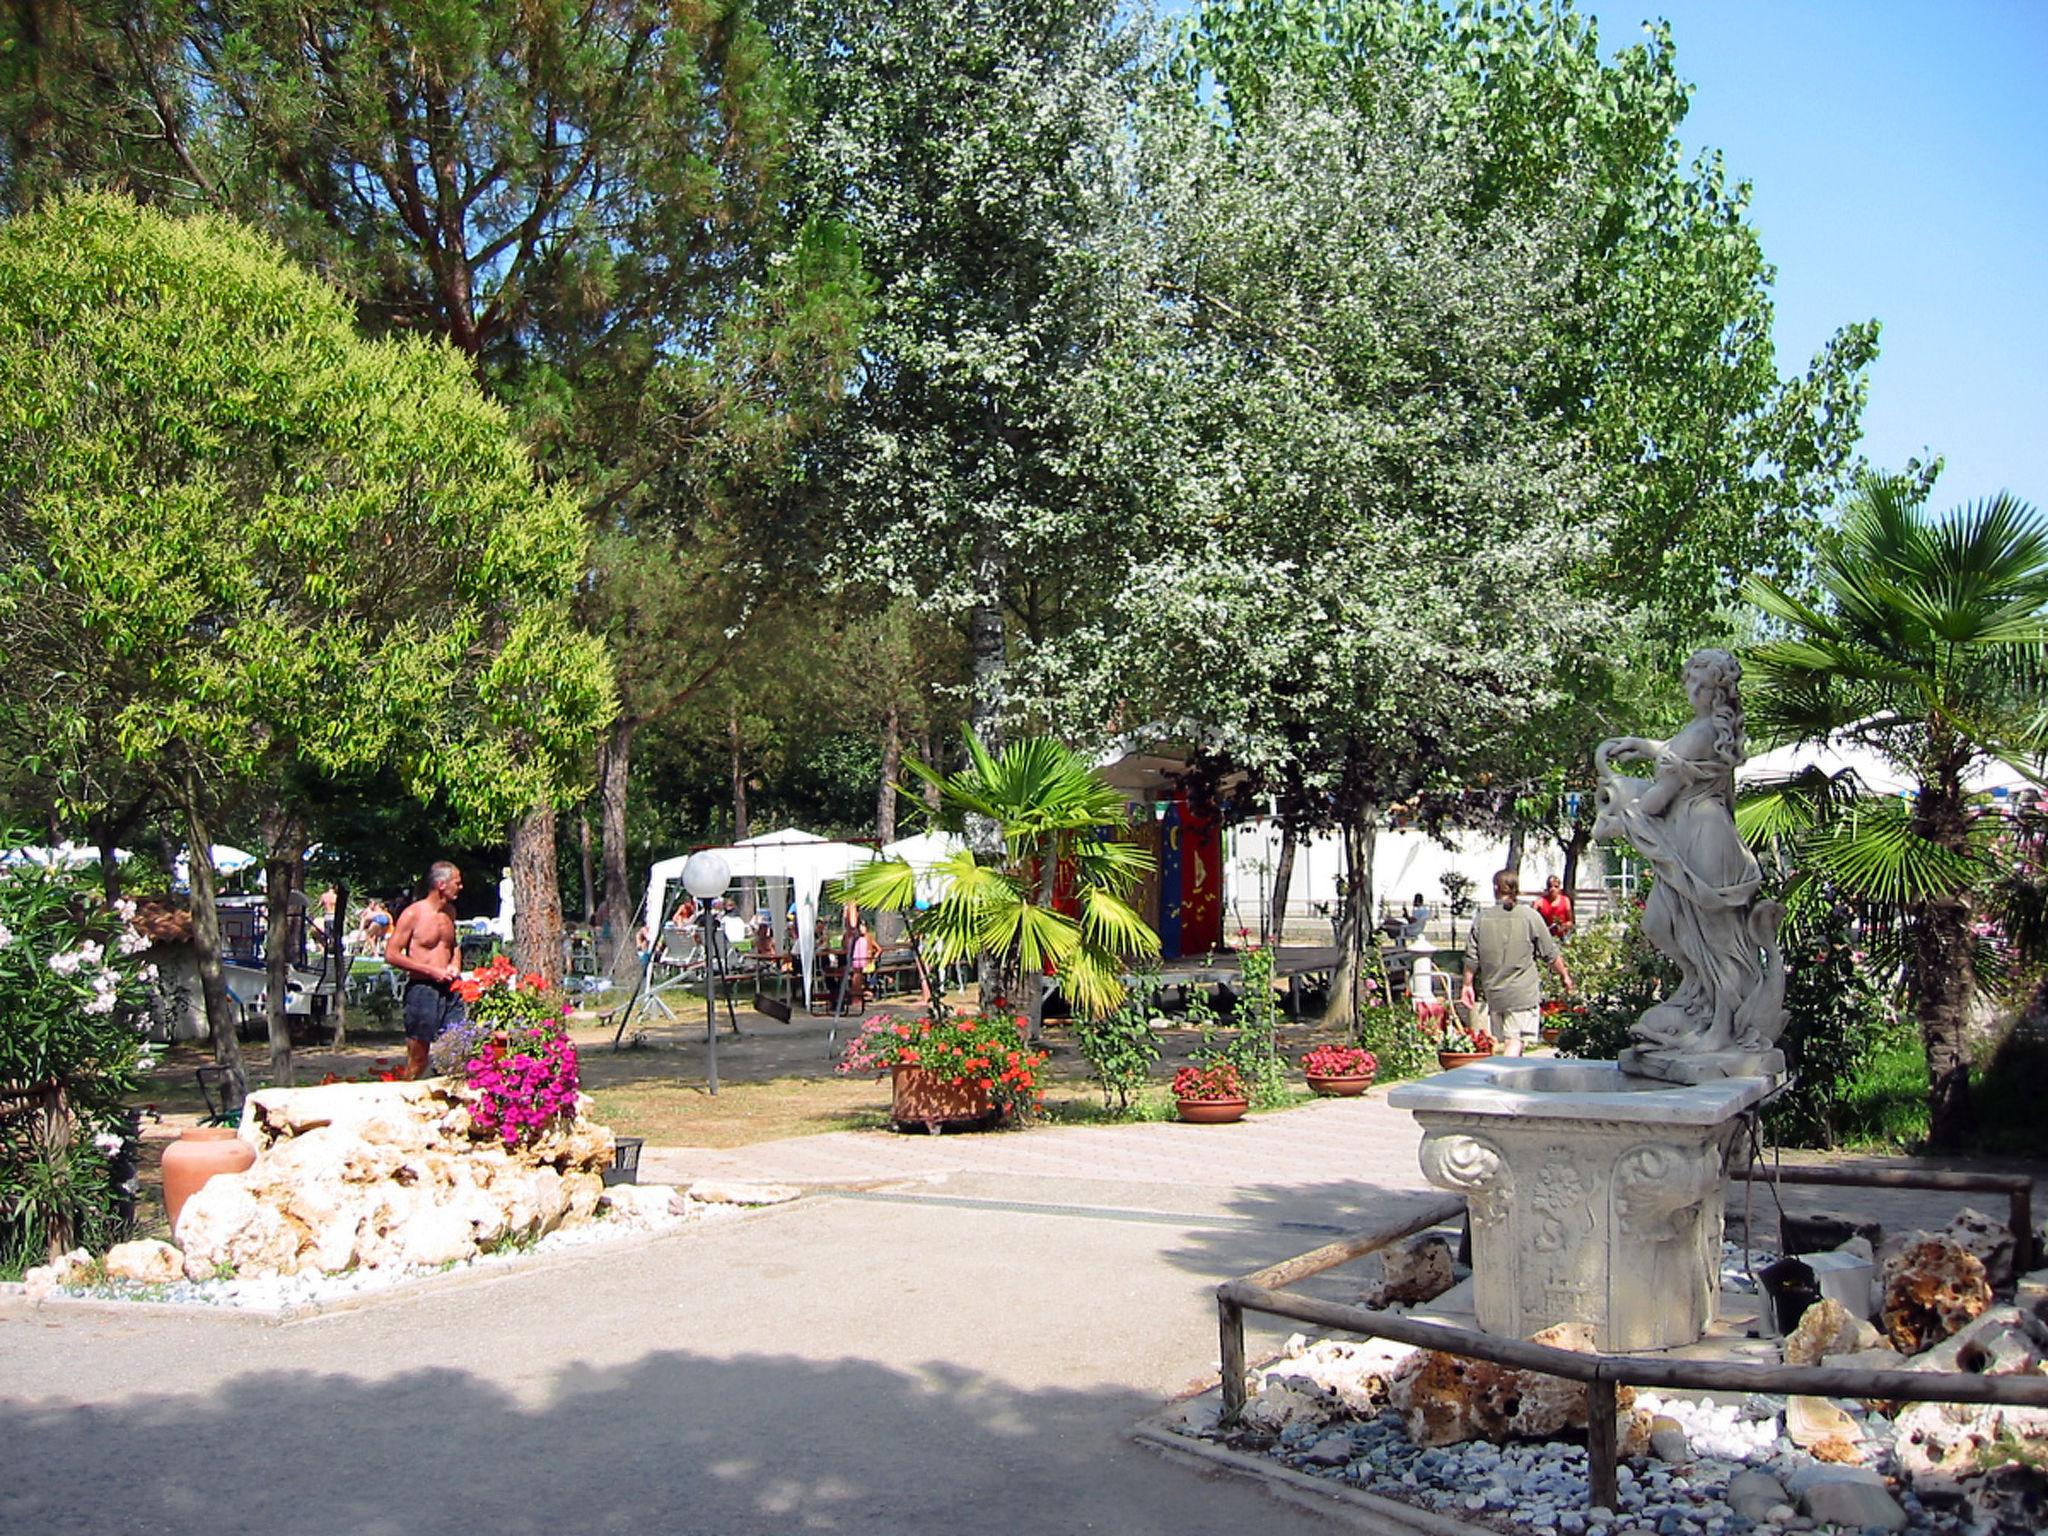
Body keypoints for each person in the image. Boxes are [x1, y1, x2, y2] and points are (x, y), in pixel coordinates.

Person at [1460, 869, 1574, 1057]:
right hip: (1522, 993)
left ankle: (1510, 1080)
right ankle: (1505, 1078)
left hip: (1494, 992)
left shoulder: (1482, 918)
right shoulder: (1530, 916)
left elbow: (1471, 957)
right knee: (1514, 1042)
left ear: (1496, 889)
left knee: (1508, 1040)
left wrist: (1467, 985)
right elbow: (1550, 954)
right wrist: (1565, 976)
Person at [386, 861, 467, 1079]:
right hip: (422, 990)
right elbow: (392, 954)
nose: (460, 887)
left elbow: (453, 945)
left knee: (456, 1050)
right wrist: (430, 970)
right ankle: (405, 1099)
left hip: (450, 989)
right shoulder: (413, 914)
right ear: (441, 884)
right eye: (456, 883)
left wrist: (455, 965)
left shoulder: (450, 912)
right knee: (419, 1058)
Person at [1532, 875, 1574, 940]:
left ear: (1559, 888)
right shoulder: (1540, 902)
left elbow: (1570, 922)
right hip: (1546, 936)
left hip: (1562, 937)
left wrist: (1564, 926)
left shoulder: (1565, 900)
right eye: (1550, 886)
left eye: (1556, 886)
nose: (1553, 889)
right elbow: (1532, 919)